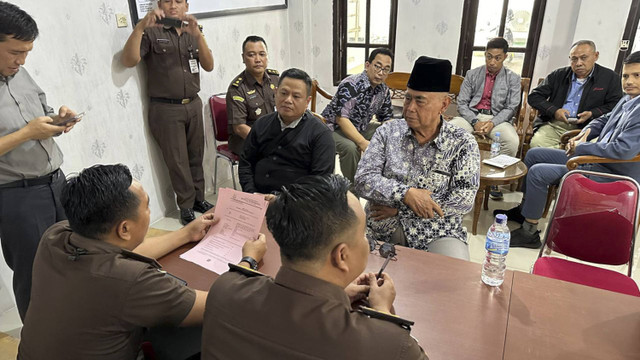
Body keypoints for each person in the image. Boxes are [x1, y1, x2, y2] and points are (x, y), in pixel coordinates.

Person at [18, 164, 267, 360]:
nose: (150, 213)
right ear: (124, 228)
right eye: (147, 207)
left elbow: (126, 251)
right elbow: (219, 302)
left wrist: (185, 233)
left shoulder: (55, 236)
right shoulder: (132, 280)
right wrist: (248, 260)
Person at [202, 174, 428, 359]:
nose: (367, 242)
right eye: (363, 234)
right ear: (342, 255)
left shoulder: (226, 288)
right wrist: (383, 313)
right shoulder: (389, 345)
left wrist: (335, 297)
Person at [496, 51, 640, 248]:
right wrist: (586, 132)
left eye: (637, 75)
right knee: (534, 154)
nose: (629, 81)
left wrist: (583, 147)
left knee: (539, 173)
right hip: (596, 158)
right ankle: (525, 211)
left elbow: (623, 151)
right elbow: (604, 119)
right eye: (626, 76)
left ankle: (530, 233)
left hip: (612, 170)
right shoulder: (629, 99)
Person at [354, 56, 480, 261]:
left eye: (419, 100)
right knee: (364, 280)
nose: (410, 108)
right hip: (384, 227)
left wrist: (400, 209)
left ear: (444, 104)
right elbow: (363, 180)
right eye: (407, 98)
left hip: (439, 231)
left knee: (456, 281)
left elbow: (463, 200)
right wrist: (406, 194)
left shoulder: (462, 143)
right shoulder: (387, 132)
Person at [0, 1, 81, 321]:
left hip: (55, 181)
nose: (21, 60)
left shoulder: (21, 73)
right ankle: (41, 345)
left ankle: (78, 327)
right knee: (35, 274)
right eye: (15, 52)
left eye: (27, 52)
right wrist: (27, 132)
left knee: (76, 256)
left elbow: (40, 119)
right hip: (17, 195)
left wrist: (58, 121)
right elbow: (27, 131)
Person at [121, 0, 215, 225]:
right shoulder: (150, 31)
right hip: (166, 108)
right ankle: (186, 205)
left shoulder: (193, 31)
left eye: (178, 1)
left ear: (186, 5)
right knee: (177, 161)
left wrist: (198, 36)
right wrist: (140, 27)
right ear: (160, 5)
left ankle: (199, 199)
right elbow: (128, 60)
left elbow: (209, 65)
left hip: (192, 103)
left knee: (195, 155)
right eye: (167, 1)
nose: (173, 5)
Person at [239, 68, 335, 195]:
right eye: (283, 93)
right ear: (276, 93)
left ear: (307, 102)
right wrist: (251, 193)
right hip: (256, 199)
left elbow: (320, 183)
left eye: (296, 96)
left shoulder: (321, 135)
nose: (288, 100)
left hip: (297, 206)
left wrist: (280, 200)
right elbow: (246, 163)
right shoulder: (261, 124)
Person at [449, 37, 521, 200]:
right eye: (489, 56)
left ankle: (494, 180)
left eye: (497, 57)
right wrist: (475, 122)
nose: (492, 62)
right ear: (485, 55)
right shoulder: (472, 74)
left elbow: (511, 107)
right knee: (449, 132)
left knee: (511, 141)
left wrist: (492, 123)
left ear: (505, 57)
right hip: (471, 116)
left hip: (498, 119)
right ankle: (455, 176)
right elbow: (462, 103)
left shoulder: (513, 78)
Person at [528, 40, 622, 149]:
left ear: (596, 56)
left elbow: (616, 105)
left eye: (584, 58)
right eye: (574, 59)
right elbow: (534, 97)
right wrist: (555, 111)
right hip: (556, 125)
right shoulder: (558, 75)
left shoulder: (610, 77)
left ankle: (559, 159)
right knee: (537, 145)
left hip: (589, 127)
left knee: (587, 150)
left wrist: (592, 113)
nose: (578, 63)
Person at [321, 48, 394, 183]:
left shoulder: (383, 90)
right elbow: (341, 119)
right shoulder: (351, 84)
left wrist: (387, 135)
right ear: (367, 65)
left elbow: (386, 117)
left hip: (360, 126)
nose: (380, 73)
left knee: (389, 134)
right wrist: (362, 143)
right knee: (351, 148)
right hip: (333, 128)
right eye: (377, 66)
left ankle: (383, 180)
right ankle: (353, 188)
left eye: (386, 69)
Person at [226, 35, 279, 155]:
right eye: (251, 55)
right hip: (247, 140)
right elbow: (239, 128)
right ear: (243, 58)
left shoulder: (276, 79)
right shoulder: (237, 88)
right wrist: (264, 141)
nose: (258, 59)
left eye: (262, 54)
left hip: (273, 136)